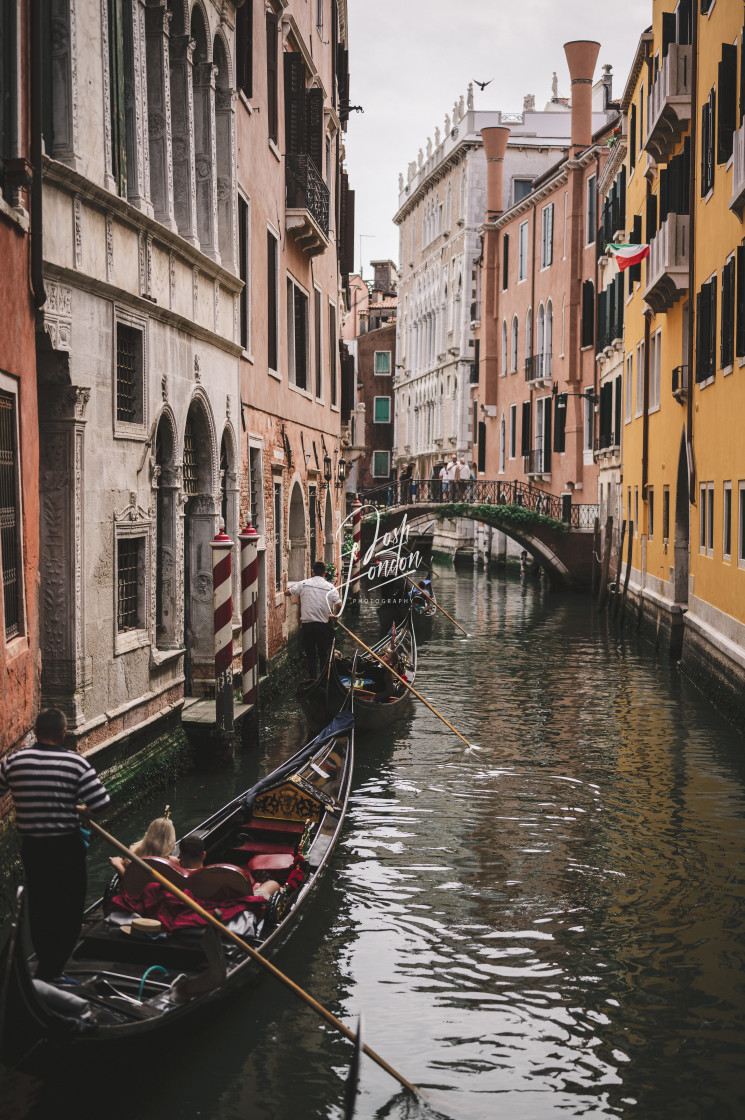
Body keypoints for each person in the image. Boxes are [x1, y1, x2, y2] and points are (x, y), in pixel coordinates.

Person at [0, 708, 110, 982]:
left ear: (36, 732)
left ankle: (46, 967)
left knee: (41, 906)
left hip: (34, 849)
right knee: (69, 909)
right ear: (63, 734)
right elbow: (101, 804)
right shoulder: (76, 763)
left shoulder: (14, 761)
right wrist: (80, 807)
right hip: (65, 848)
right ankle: (54, 970)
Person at [285, 560, 342, 679]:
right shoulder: (330, 587)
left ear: (312, 572)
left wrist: (287, 589)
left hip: (307, 626)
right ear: (325, 573)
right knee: (323, 653)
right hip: (322, 626)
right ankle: (323, 678)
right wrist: (334, 616)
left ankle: (312, 678)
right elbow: (339, 605)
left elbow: (287, 593)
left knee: (310, 654)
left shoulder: (304, 584)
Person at [178, 835, 281, 900]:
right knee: (272, 884)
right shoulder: (220, 877)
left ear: (180, 856)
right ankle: (267, 879)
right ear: (204, 855)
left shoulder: (171, 876)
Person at [109, 814, 177, 877]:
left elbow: (131, 880)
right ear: (170, 840)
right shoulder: (173, 862)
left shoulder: (132, 854)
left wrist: (118, 865)